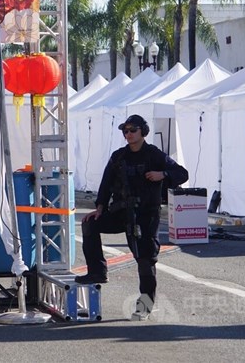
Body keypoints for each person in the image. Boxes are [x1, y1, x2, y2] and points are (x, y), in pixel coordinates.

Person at [75, 114, 188, 321]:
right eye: (125, 131)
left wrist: (162, 175)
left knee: (145, 260)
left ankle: (145, 307)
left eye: (132, 130)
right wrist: (99, 207)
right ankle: (98, 272)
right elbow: (106, 183)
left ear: (143, 131)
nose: (128, 134)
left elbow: (182, 173)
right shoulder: (119, 156)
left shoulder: (154, 155)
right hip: (121, 212)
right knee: (90, 224)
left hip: (146, 216)